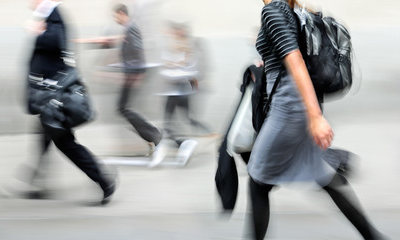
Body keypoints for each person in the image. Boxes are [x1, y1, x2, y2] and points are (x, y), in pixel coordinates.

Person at [247, 0, 386, 239]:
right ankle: (374, 236)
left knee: (258, 179)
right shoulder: (292, 9)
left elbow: (296, 62)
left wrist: (316, 117)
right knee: (322, 175)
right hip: (297, 101)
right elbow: (289, 55)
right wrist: (267, 64)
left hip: (290, 107)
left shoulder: (273, 9)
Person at [25, 0, 116, 205]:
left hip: (52, 97)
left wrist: (37, 31)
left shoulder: (54, 13)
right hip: (47, 96)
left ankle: (104, 180)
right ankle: (37, 182)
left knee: (64, 142)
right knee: (43, 138)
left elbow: (57, 41)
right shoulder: (49, 15)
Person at [148, 21, 214, 168]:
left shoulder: (187, 48)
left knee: (178, 120)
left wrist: (176, 66)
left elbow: (189, 70)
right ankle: (183, 143)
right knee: (174, 121)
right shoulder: (173, 47)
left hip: (179, 92)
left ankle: (185, 143)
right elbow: (166, 67)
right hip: (173, 92)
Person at [112, 3, 163, 156]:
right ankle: (151, 136)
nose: (115, 19)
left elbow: (139, 51)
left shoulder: (131, 28)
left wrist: (138, 73)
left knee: (123, 108)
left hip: (132, 74)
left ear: (121, 13)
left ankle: (153, 134)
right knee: (124, 108)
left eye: (115, 15)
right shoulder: (129, 28)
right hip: (131, 73)